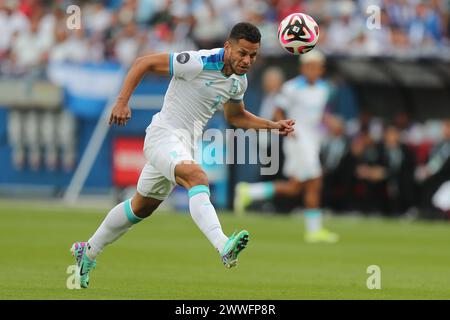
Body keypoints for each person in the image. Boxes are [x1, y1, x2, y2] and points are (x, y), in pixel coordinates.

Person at [70, 22, 295, 289]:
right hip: (163, 135)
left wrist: (272, 125)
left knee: (141, 206)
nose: (247, 61)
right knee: (197, 176)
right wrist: (121, 101)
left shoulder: (238, 82)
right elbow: (143, 62)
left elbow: (236, 116)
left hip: (183, 145)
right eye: (242, 53)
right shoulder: (198, 62)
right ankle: (224, 245)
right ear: (228, 47)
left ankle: (89, 251)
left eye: (253, 55)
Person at [234, 50, 339, 243]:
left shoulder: (324, 89)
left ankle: (249, 192)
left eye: (316, 67)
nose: (313, 70)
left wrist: (331, 123)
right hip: (297, 141)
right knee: (315, 181)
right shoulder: (292, 87)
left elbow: (318, 116)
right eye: (309, 66)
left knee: (294, 187)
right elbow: (277, 110)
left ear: (321, 69)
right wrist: (288, 129)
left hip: (312, 140)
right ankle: (314, 230)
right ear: (303, 68)